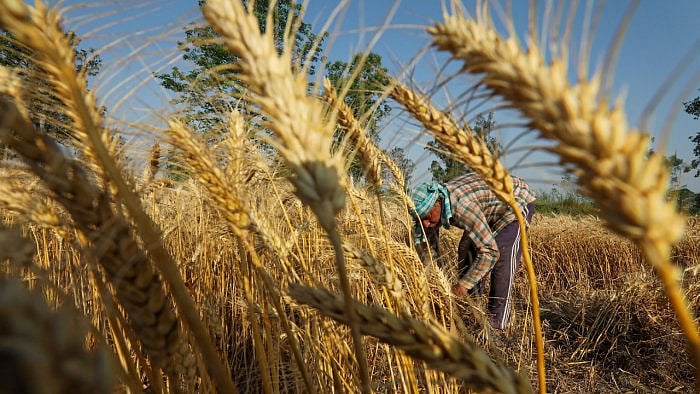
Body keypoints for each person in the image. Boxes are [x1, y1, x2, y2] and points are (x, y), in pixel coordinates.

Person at [411, 172, 536, 329]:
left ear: (438, 202)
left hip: (515, 202)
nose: (426, 224)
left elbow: (490, 252)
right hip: (487, 206)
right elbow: (428, 249)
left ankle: (498, 321)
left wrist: (461, 286)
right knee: (467, 248)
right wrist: (435, 281)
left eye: (428, 217)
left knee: (502, 255)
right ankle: (471, 308)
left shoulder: (462, 207)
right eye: (421, 219)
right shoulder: (428, 211)